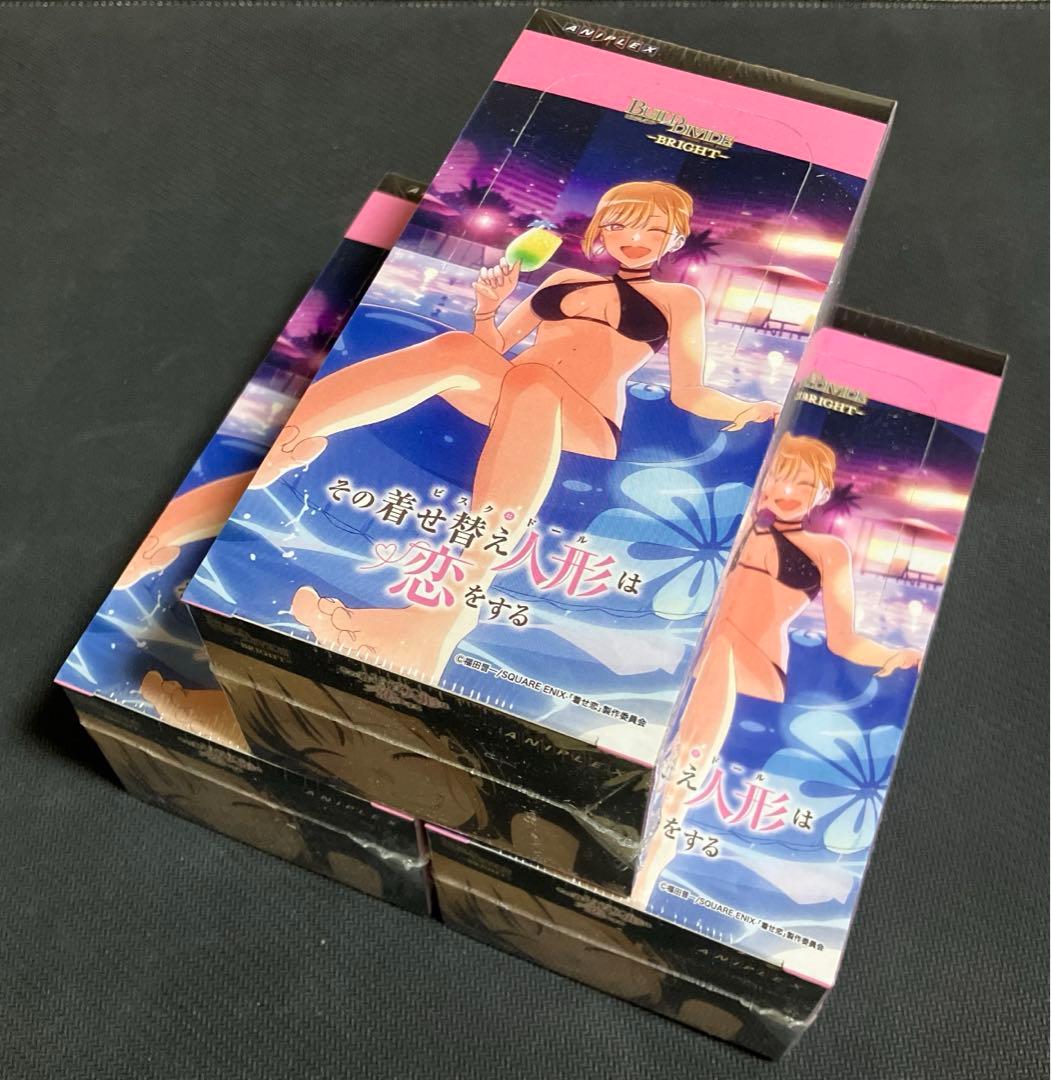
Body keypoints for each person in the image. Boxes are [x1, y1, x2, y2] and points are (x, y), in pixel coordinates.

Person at [252, 180, 779, 681]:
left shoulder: (679, 300)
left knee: (535, 381)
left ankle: (460, 594)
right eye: (620, 225)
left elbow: (689, 393)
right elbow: (492, 350)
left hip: (585, 423)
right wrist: (486, 310)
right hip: (516, 393)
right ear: (601, 230)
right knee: (459, 349)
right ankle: (286, 442)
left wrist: (747, 407)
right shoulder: (559, 282)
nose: (634, 238)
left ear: (674, 238)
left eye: (652, 229)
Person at [632, 434, 922, 903]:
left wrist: (895, 655)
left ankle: (662, 837)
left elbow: (843, 639)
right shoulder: (741, 525)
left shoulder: (828, 551)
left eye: (804, 484)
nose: (789, 492)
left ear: (822, 493)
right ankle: (658, 833)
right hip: (699, 654)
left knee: (717, 666)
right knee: (707, 667)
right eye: (780, 478)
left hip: (752, 662)